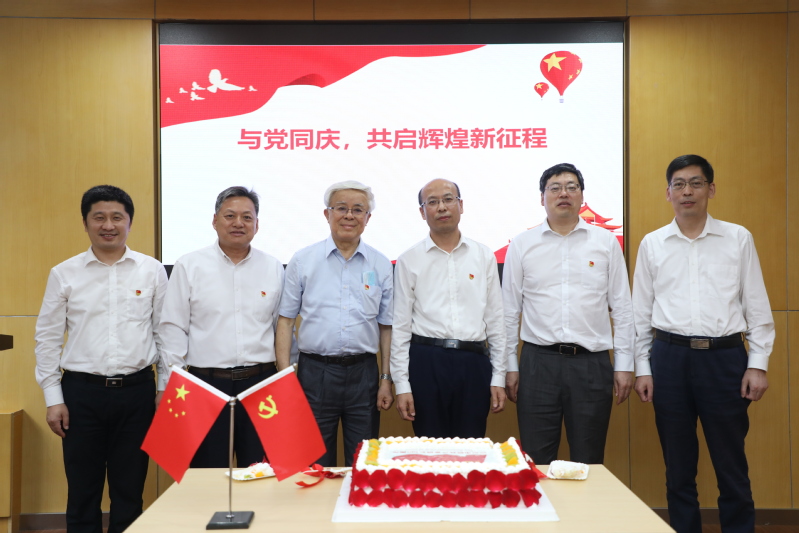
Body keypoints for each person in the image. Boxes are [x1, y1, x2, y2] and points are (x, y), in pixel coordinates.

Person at [633, 155, 773, 533]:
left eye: (696, 183)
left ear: (711, 189)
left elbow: (757, 306)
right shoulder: (653, 244)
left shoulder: (737, 238)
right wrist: (643, 368)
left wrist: (757, 364)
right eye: (678, 184)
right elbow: (640, 313)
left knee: (731, 465)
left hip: (724, 360)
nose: (687, 191)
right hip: (669, 360)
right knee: (678, 469)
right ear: (668, 193)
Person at [34, 185, 168, 533]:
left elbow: (165, 334)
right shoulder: (64, 273)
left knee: (130, 492)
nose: (108, 225)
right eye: (99, 217)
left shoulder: (152, 270)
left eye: (117, 217)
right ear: (86, 223)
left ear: (129, 222)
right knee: (82, 492)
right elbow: (47, 339)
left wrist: (164, 389)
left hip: (137, 393)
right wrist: (53, 398)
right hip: (81, 394)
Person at [502, 163, 634, 465]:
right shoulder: (522, 244)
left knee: (588, 461)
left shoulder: (605, 243)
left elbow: (622, 308)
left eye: (572, 187)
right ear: (542, 197)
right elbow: (509, 312)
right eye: (555, 188)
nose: (564, 193)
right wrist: (509, 366)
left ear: (582, 196)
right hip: (538, 364)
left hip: (591, 365)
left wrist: (625, 364)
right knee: (536, 460)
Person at [159, 186, 284, 468]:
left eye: (247, 217)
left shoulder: (273, 267)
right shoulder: (189, 265)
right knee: (207, 473)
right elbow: (172, 329)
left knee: (261, 472)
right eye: (230, 216)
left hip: (261, 385)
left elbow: (282, 329)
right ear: (215, 221)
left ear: (257, 224)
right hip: (205, 385)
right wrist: (171, 385)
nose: (238, 223)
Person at [275, 180, 393, 467]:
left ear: (368, 218)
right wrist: (285, 379)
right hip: (315, 373)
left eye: (358, 209)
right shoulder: (303, 260)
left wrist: (385, 379)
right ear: (327, 214)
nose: (349, 215)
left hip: (364, 374)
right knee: (315, 465)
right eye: (341, 208)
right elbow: (285, 322)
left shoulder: (380, 264)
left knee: (363, 463)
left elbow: (387, 327)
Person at [390, 178, 506, 439]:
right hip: (426, 362)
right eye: (432, 202)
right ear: (423, 212)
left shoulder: (483, 255)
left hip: (473, 362)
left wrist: (499, 376)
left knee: (471, 447)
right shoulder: (409, 259)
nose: (441, 207)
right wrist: (402, 384)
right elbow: (401, 327)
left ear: (460, 205)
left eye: (448, 199)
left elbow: (496, 321)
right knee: (430, 449)